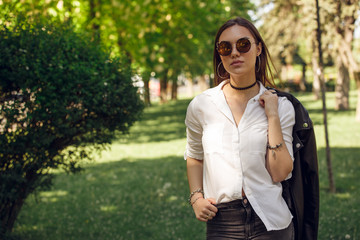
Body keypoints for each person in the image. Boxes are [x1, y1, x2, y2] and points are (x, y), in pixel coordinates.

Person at [184, 17, 297, 239]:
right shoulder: (202, 105)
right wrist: (196, 198)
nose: (235, 52)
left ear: (258, 49)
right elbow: (194, 156)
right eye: (225, 47)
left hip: (271, 220)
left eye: (243, 44)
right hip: (222, 222)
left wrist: (272, 116)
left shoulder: (282, 107)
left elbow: (280, 172)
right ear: (220, 55)